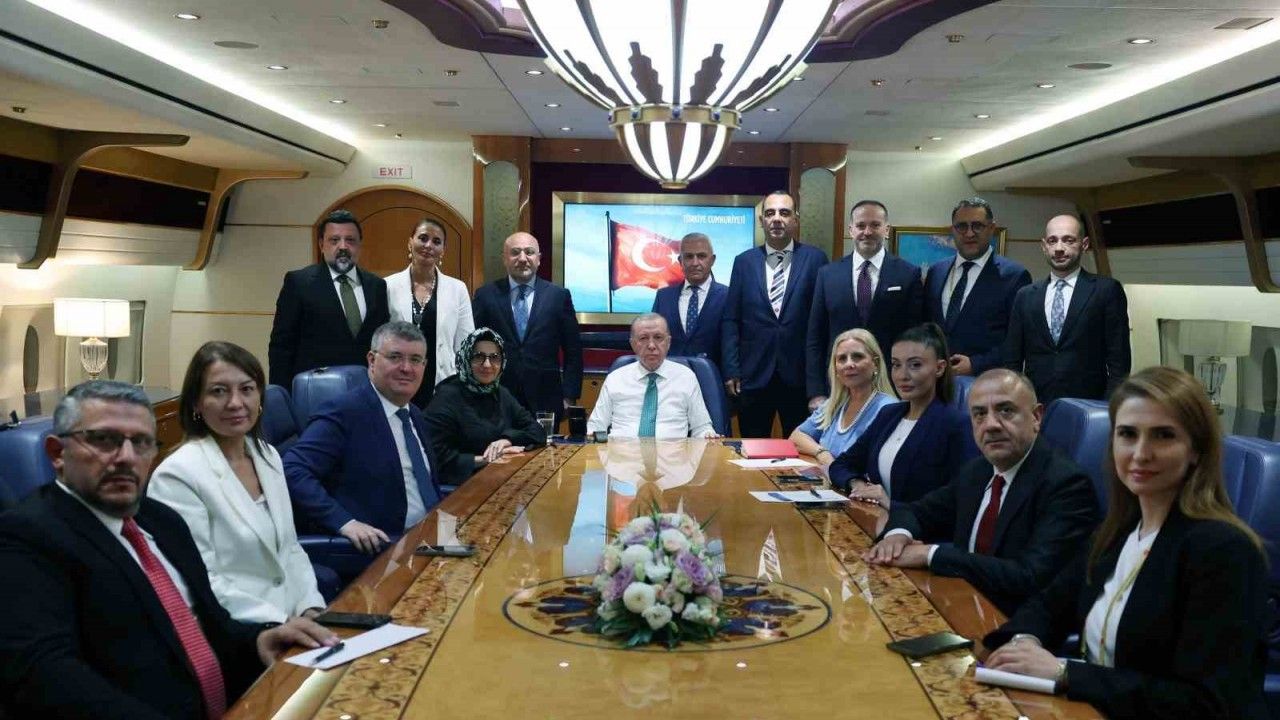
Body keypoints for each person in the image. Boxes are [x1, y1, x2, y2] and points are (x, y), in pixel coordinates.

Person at [0, 381, 337, 720]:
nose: (126, 458)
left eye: (141, 443)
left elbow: (211, 623)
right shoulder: (26, 536)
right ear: (58, 453)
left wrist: (259, 640)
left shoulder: (162, 520)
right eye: (104, 440)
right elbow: (44, 676)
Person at [984, 366, 1268, 719]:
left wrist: (1065, 673)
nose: (1140, 453)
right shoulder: (1118, 533)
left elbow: (1206, 703)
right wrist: (1024, 643)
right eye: (1128, 434)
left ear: (1196, 450)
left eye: (1163, 436)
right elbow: (1048, 605)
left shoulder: (1223, 550)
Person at [863, 369, 1101, 615]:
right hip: (959, 603)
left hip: (1011, 622)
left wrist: (930, 554)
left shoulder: (1066, 484)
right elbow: (918, 512)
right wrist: (897, 536)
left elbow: (1029, 576)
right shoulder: (978, 470)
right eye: (979, 414)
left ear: (1036, 417)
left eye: (1005, 410)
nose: (991, 425)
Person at [149, 341, 327, 624]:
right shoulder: (177, 475)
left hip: (296, 621)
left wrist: (311, 607)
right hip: (237, 628)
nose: (235, 403)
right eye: (218, 391)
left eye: (246, 389)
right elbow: (199, 578)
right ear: (196, 402)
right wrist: (280, 621)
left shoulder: (267, 455)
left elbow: (291, 548)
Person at [284, 321, 443, 555]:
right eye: (395, 357)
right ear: (372, 360)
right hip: (384, 551)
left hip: (430, 539)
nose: (406, 368)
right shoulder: (345, 412)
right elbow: (293, 469)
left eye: (415, 360)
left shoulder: (414, 414)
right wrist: (344, 522)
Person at [827, 323, 976, 504]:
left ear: (939, 368)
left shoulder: (957, 425)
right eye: (896, 365)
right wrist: (857, 484)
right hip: (874, 517)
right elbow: (841, 465)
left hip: (914, 523)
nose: (902, 375)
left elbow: (961, 499)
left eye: (915, 365)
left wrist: (891, 505)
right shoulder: (889, 414)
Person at [722, 191, 828, 437]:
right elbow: (731, 320)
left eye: (784, 213)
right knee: (753, 447)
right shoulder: (744, 262)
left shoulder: (815, 259)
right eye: (770, 213)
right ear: (762, 221)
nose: (777, 219)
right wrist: (731, 369)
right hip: (754, 375)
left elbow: (823, 321)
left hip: (800, 377)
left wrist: (819, 381)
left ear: (795, 220)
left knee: (801, 446)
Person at [806, 200, 923, 407]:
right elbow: (815, 337)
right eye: (861, 225)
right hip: (838, 387)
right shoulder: (827, 275)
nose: (867, 232)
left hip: (890, 387)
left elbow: (915, 337)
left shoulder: (908, 274)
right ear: (851, 230)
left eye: (875, 225)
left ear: (886, 230)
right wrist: (816, 392)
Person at [1004, 214, 1131, 402]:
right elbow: (1012, 359)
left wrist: (1109, 406)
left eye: (1068, 240)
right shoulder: (1026, 295)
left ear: (1084, 244)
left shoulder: (1106, 290)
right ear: (1044, 246)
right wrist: (1014, 400)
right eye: (1052, 241)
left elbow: (1119, 359)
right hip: (1036, 404)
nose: (1059, 248)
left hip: (1089, 403)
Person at [268, 208, 391, 387]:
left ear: (359, 245)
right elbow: (281, 347)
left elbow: (383, 344)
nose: (343, 246)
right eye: (334, 240)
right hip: (314, 392)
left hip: (365, 390)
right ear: (321, 245)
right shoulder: (299, 283)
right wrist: (281, 396)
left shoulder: (376, 286)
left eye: (350, 240)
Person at [471, 231, 583, 422]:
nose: (522, 258)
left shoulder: (558, 296)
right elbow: (473, 346)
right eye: (515, 252)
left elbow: (573, 350)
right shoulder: (485, 295)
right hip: (496, 398)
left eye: (529, 252)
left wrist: (569, 396)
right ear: (505, 258)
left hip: (546, 399)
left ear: (538, 259)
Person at [423, 328, 546, 487]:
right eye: (479, 357)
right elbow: (434, 456)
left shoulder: (501, 393)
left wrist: (507, 440)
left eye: (494, 358)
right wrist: (484, 459)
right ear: (466, 358)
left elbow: (537, 431)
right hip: (460, 488)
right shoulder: (447, 397)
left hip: (499, 481)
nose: (487, 364)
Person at [924, 197, 1031, 377]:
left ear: (991, 228)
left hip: (987, 381)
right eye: (962, 226)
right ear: (952, 230)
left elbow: (1019, 340)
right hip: (937, 380)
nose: (969, 233)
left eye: (977, 226)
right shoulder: (936, 272)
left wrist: (976, 364)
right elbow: (926, 327)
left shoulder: (1014, 276)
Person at [385, 216, 475, 408]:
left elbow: (466, 346)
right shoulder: (387, 286)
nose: (428, 245)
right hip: (398, 381)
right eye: (423, 238)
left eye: (436, 241)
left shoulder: (457, 289)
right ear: (410, 242)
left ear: (443, 250)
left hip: (443, 387)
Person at [588, 314, 718, 439]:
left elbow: (701, 428)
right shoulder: (615, 378)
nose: (651, 345)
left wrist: (708, 435)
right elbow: (596, 426)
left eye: (658, 337)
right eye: (643, 338)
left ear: (668, 342)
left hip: (674, 452)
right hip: (621, 452)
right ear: (633, 344)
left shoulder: (686, 377)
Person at [790, 328, 896, 466]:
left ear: (875, 363)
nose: (849, 364)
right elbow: (796, 437)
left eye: (858, 357)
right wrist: (822, 453)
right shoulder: (834, 404)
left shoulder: (888, 409)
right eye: (842, 359)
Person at [651, 232, 728, 366]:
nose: (695, 263)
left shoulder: (728, 296)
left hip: (713, 375)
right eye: (689, 257)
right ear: (680, 261)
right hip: (671, 375)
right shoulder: (663, 297)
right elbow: (653, 338)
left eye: (701, 256)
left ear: (712, 260)